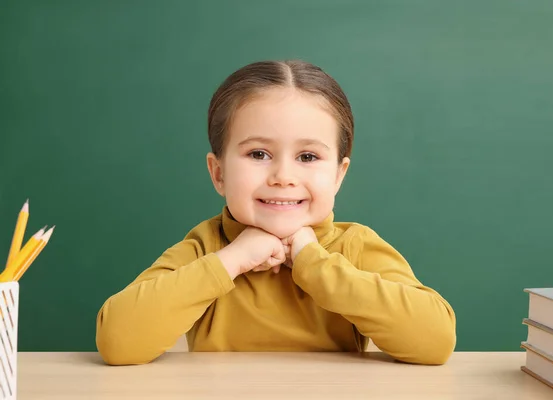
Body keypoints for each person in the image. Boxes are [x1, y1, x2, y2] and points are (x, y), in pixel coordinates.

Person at [96, 59, 456, 366]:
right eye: (258, 154)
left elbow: (435, 340)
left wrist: (313, 263)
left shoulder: (354, 246)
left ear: (338, 175)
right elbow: (117, 340)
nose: (283, 177)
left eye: (308, 157)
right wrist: (232, 260)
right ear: (218, 173)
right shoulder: (206, 248)